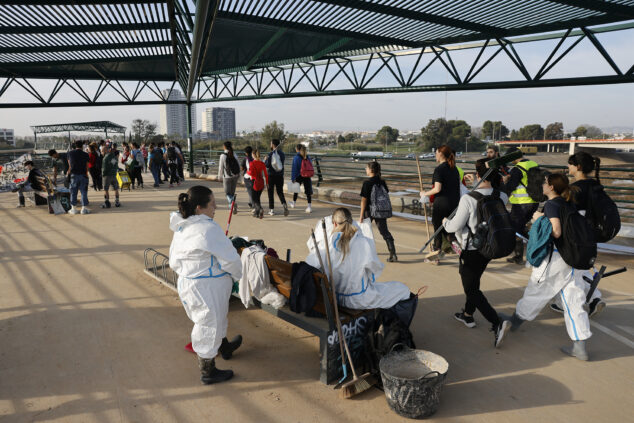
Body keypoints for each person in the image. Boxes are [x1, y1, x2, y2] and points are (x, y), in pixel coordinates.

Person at [509, 172, 592, 361]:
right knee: (574, 301)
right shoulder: (568, 203)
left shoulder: (552, 204)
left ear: (552, 187)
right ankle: (580, 347)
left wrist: (539, 218)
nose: (543, 185)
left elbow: (555, 231)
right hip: (574, 259)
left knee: (537, 290)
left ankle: (513, 322)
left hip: (557, 258)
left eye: (545, 183)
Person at [169, 186, 243, 384]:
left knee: (212, 319)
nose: (216, 207)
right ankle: (208, 371)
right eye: (212, 203)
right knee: (208, 324)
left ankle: (223, 346)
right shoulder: (208, 229)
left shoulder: (182, 226)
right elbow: (231, 260)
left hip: (189, 284)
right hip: (207, 287)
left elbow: (174, 260)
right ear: (200, 207)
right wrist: (237, 276)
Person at [443, 159, 511, 347]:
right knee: (474, 280)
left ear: (479, 176)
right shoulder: (501, 196)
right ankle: (467, 314)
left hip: (471, 249)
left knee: (471, 288)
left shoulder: (469, 198)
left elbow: (454, 226)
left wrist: (444, 223)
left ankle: (496, 322)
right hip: (489, 247)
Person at [306, 208, 410, 309]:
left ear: (334, 223)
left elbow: (312, 265)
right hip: (357, 299)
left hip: (334, 296)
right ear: (352, 222)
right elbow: (374, 272)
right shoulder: (362, 242)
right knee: (403, 289)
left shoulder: (326, 244)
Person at [550, 152, 606, 317]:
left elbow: (563, 210)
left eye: (570, 164)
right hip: (590, 234)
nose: (568, 167)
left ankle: (574, 304)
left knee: (569, 271)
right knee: (580, 269)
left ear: (578, 167)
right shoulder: (595, 185)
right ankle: (594, 298)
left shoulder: (575, 189)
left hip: (574, 236)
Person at [420, 145, 460, 264]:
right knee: (449, 229)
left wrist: (424, 194)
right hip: (454, 204)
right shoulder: (454, 168)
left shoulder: (439, 169)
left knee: (438, 229)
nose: (435, 155)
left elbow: (437, 189)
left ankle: (436, 256)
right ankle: (460, 249)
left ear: (440, 154)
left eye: (436, 153)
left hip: (441, 203)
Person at [502, 147, 539, 265]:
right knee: (521, 227)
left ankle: (521, 255)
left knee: (515, 229)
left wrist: (505, 180)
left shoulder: (517, 169)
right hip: (534, 202)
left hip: (521, 204)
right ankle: (533, 246)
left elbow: (510, 187)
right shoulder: (533, 164)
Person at [358, 161, 397, 262]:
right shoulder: (382, 181)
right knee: (384, 231)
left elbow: (364, 200)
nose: (365, 170)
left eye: (366, 168)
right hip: (381, 210)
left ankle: (364, 254)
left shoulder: (367, 183)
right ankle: (393, 253)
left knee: (365, 231)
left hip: (369, 210)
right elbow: (385, 193)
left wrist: (361, 215)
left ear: (371, 170)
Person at [265, 139, 289, 216]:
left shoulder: (270, 154)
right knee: (280, 191)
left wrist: (265, 160)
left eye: (270, 143)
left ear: (273, 145)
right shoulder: (282, 154)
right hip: (280, 175)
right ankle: (284, 203)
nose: (270, 144)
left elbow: (267, 165)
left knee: (270, 192)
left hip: (271, 176)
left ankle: (271, 210)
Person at [67, 140, 91, 215]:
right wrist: (86, 173)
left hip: (74, 175)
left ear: (75, 146)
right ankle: (83, 208)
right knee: (84, 191)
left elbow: (70, 165)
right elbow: (87, 166)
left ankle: (73, 208)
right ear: (82, 146)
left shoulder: (70, 153)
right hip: (83, 174)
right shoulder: (86, 154)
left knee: (73, 191)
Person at [217, 141, 240, 213]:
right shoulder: (234, 154)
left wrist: (219, 177)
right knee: (232, 193)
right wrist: (240, 175)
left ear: (224, 147)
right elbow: (238, 165)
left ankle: (232, 203)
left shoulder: (222, 155)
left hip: (227, 177)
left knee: (227, 193)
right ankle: (232, 206)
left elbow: (221, 167)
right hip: (235, 176)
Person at [290, 144, 313, 213]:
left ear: (298, 149)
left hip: (299, 175)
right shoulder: (307, 157)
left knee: (296, 190)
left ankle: (293, 203)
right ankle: (309, 207)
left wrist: (293, 178)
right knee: (308, 191)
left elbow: (294, 168)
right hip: (307, 175)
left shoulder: (296, 157)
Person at [246, 149, 268, 218]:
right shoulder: (262, 163)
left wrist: (247, 172)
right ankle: (257, 213)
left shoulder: (252, 163)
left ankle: (260, 210)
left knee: (254, 199)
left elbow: (252, 173)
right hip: (261, 182)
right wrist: (267, 183)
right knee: (257, 198)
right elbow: (266, 174)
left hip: (254, 182)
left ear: (253, 155)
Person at [101, 144, 121, 208]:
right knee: (116, 189)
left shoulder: (105, 158)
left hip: (107, 176)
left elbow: (104, 168)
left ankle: (107, 203)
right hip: (114, 175)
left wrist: (103, 174)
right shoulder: (115, 157)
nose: (102, 152)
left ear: (107, 150)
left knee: (106, 189)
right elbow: (114, 166)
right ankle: (117, 202)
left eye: (102, 151)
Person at [240, 146, 255, 211]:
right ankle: (251, 203)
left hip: (247, 176)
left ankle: (254, 205)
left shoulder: (245, 159)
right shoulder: (254, 158)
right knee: (253, 190)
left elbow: (242, 168)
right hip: (254, 176)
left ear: (246, 153)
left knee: (250, 191)